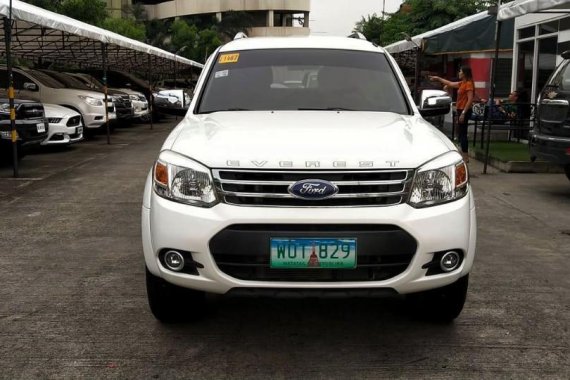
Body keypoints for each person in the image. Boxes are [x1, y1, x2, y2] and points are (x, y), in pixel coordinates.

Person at [429, 67, 475, 163]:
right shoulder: (462, 83)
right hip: (460, 109)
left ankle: (465, 157)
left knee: (463, 133)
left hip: (464, 110)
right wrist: (438, 78)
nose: (459, 73)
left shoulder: (469, 84)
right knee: (460, 132)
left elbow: (470, 100)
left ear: (465, 73)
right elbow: (449, 83)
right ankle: (463, 154)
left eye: (460, 71)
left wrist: (463, 113)